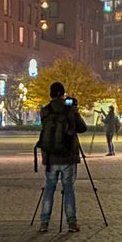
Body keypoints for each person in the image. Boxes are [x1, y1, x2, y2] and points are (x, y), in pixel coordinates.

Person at [36, 81, 87, 233]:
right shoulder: (69, 110)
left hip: (50, 157)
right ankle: (71, 223)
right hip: (67, 157)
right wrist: (75, 111)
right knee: (68, 189)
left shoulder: (45, 111)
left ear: (51, 94)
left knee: (49, 189)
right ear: (63, 94)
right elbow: (82, 128)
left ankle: (44, 223)